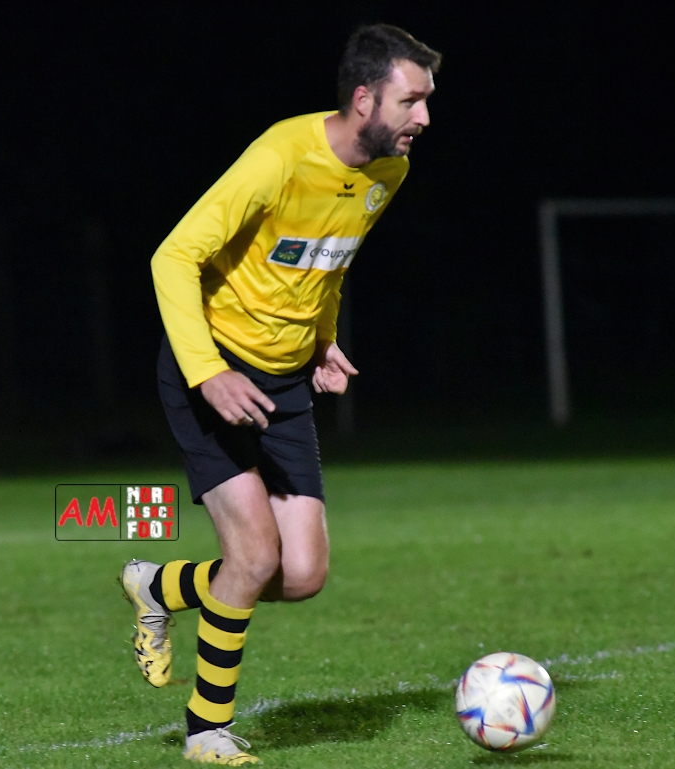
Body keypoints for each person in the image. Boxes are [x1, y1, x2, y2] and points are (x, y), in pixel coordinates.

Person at [121, 23, 440, 765]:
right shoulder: (278, 157)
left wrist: (322, 338)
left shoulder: (389, 172)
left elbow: (326, 262)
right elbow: (172, 257)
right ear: (364, 99)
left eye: (428, 100)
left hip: (284, 382)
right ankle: (206, 730)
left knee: (299, 574)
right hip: (212, 373)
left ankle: (157, 586)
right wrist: (208, 371)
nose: (425, 117)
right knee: (254, 552)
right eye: (412, 100)